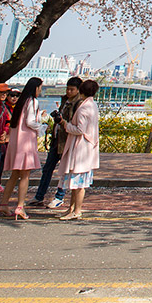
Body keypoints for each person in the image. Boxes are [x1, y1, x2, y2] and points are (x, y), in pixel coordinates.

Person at [0, 78, 44, 220]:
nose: (40, 90)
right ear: (36, 88)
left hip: (16, 141)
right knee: (25, 176)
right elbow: (30, 121)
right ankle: (20, 206)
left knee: (14, 175)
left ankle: (4, 204)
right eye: (40, 88)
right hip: (26, 141)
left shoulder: (21, 102)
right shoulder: (33, 102)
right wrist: (41, 125)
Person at [55, 79, 100, 220]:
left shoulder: (84, 108)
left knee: (79, 184)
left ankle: (76, 210)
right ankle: (72, 208)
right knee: (76, 183)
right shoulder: (92, 105)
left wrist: (65, 124)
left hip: (81, 148)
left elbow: (80, 129)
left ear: (81, 91)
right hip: (85, 148)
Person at [36, 77, 82, 208]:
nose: (68, 91)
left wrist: (62, 121)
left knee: (64, 171)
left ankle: (59, 196)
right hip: (57, 139)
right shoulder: (65, 100)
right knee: (47, 169)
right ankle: (39, 196)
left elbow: (75, 123)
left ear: (78, 90)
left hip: (67, 141)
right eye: (67, 89)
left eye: (72, 89)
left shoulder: (78, 104)